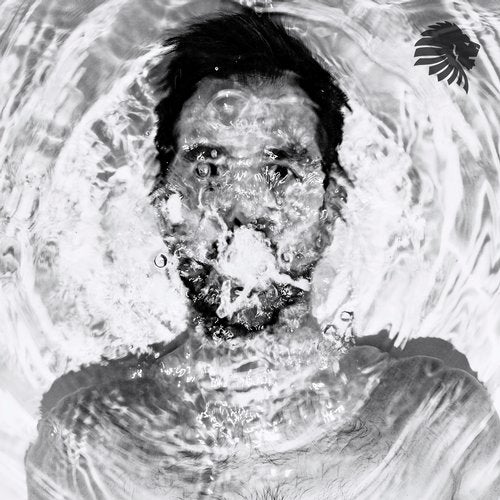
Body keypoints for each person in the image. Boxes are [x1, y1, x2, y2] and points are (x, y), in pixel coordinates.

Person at [25, 7, 500, 500]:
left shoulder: (440, 428)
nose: (243, 210)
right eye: (208, 168)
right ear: (166, 205)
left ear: (330, 208)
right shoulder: (87, 447)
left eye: (281, 172)